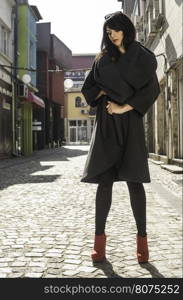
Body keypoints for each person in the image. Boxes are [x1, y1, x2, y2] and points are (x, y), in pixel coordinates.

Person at [80, 11, 160, 264]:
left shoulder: (143, 57)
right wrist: (105, 91)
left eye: (114, 29)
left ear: (126, 29)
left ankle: (143, 245)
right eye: (107, 31)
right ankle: (99, 245)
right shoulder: (102, 58)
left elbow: (152, 89)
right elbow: (88, 88)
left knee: (135, 182)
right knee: (105, 182)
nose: (110, 34)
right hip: (106, 126)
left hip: (131, 123)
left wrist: (124, 107)